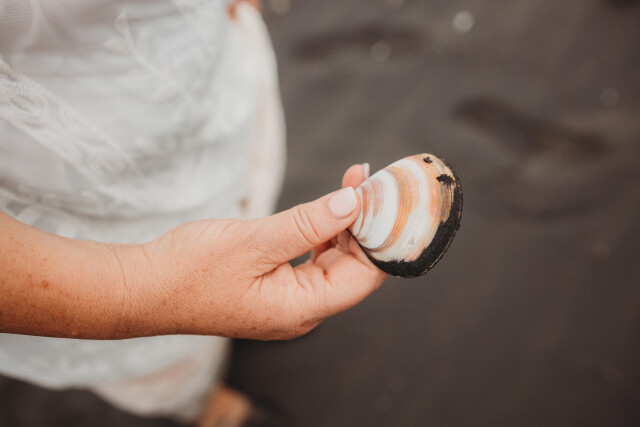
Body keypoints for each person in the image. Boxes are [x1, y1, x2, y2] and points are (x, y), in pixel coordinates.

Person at [0, 0, 386, 424]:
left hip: (202, 67)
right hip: (66, 212)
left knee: (245, 198)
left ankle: (252, 305)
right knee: (160, 359)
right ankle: (204, 406)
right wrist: (146, 289)